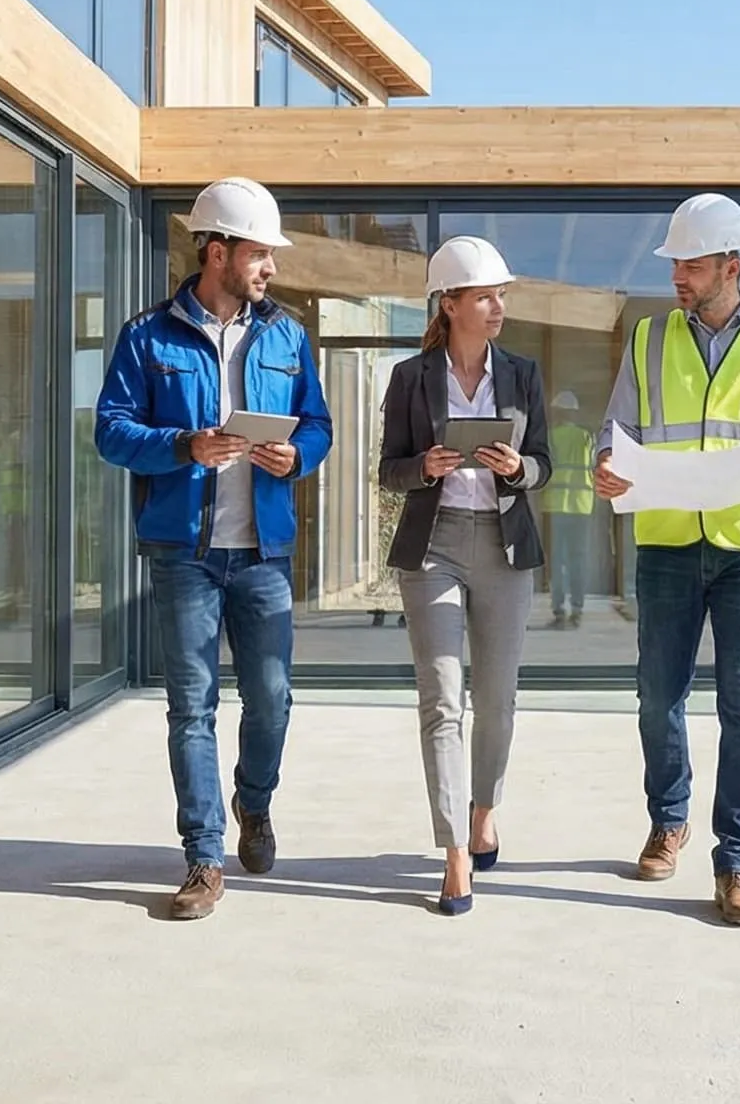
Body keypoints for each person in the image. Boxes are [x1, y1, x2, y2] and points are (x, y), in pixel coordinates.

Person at [95, 177, 333, 922]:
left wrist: (299, 458)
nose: (269, 268)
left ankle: (253, 806)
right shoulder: (147, 335)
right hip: (183, 555)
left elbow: (316, 424)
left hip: (262, 553)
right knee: (190, 708)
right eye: (259, 254)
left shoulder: (287, 335)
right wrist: (184, 445)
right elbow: (110, 431)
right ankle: (202, 856)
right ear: (218, 251)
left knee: (271, 699)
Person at [592, 192, 740, 928]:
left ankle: (737, 865)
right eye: (675, 264)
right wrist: (605, 462)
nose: (678, 277)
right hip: (665, 540)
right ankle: (669, 819)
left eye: (691, 264)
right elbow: (615, 427)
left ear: (732, 264)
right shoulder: (646, 338)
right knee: (657, 699)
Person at [377, 237, 552, 916]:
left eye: (501, 295)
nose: (498, 305)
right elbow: (389, 469)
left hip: (505, 549)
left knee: (498, 699)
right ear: (450, 304)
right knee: (443, 699)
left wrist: (518, 469)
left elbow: (544, 462)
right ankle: (455, 853)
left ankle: (486, 806)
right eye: (485, 295)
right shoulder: (410, 378)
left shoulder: (524, 374)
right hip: (434, 547)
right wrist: (426, 466)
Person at [539, 391, 603, 630]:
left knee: (557, 561)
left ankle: (559, 612)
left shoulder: (550, 437)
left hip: (555, 505)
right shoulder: (587, 437)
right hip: (582, 505)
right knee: (578, 560)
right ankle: (578, 610)